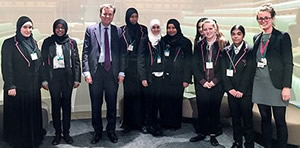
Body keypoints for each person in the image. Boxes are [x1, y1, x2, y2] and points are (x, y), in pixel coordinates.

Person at [250, 4, 293, 148]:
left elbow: (288, 63)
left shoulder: (282, 37)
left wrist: (286, 87)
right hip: (259, 85)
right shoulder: (256, 37)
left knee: (280, 121)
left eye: (266, 18)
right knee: (265, 119)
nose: (263, 21)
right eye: (260, 18)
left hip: (277, 86)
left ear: (272, 18)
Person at [82, 4, 124, 144]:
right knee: (96, 104)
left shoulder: (117, 31)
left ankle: (111, 131)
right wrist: (86, 72)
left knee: (111, 104)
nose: (107, 16)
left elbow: (122, 53)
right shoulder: (90, 30)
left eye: (110, 14)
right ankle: (97, 132)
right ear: (100, 14)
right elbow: (86, 53)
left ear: (113, 16)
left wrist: (121, 72)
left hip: (112, 71)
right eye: (105, 14)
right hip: (96, 72)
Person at [1, 16, 45, 148]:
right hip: (17, 87)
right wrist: (10, 85)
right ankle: (19, 140)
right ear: (19, 28)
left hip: (32, 86)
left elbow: (39, 63)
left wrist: (42, 80)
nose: (28, 30)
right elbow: (6, 66)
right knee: (19, 115)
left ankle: (33, 137)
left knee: (31, 113)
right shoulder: (9, 43)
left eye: (30, 27)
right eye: (25, 27)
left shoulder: (34, 42)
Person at [41, 19, 81, 145]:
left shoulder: (71, 42)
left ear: (66, 29)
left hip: (67, 77)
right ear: (54, 28)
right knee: (56, 106)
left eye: (62, 28)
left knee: (67, 106)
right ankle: (57, 134)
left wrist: (77, 78)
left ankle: (67, 133)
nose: (60, 30)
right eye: (57, 27)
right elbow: (42, 63)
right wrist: (44, 80)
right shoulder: (48, 42)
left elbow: (76, 62)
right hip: (53, 77)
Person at [190, 19, 228, 146]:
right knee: (202, 109)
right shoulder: (199, 45)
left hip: (217, 83)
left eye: (210, 29)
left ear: (215, 29)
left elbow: (225, 66)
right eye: (205, 29)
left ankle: (213, 134)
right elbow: (194, 65)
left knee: (214, 109)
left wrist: (214, 81)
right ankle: (202, 132)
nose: (208, 31)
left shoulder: (223, 44)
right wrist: (202, 81)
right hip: (202, 83)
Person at [221, 25, 254, 148]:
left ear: (243, 35)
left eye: (238, 34)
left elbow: (250, 72)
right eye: (233, 34)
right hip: (232, 91)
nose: (236, 36)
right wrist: (230, 89)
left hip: (245, 92)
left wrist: (241, 90)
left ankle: (249, 143)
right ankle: (237, 142)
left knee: (247, 119)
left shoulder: (250, 50)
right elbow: (223, 71)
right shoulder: (226, 50)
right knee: (235, 118)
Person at [160, 19, 192, 130]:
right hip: (164, 77)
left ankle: (174, 124)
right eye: (169, 28)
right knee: (164, 101)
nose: (171, 30)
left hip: (178, 77)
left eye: (173, 28)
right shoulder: (163, 41)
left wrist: (186, 79)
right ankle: (164, 122)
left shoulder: (185, 42)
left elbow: (189, 62)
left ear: (177, 28)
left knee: (175, 101)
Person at [120, 8, 148, 133]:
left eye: (136, 16)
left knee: (141, 96)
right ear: (127, 17)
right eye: (131, 17)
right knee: (129, 95)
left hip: (140, 67)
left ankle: (141, 123)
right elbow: (120, 50)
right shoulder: (121, 30)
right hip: (127, 67)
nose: (134, 19)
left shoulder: (143, 29)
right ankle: (128, 123)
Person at [137, 19, 165, 136]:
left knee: (156, 101)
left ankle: (154, 123)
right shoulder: (145, 40)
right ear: (150, 28)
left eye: (158, 27)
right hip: (149, 77)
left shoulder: (162, 41)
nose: (156, 29)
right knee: (148, 102)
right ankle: (147, 124)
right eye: (153, 27)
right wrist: (143, 77)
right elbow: (141, 60)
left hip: (160, 76)